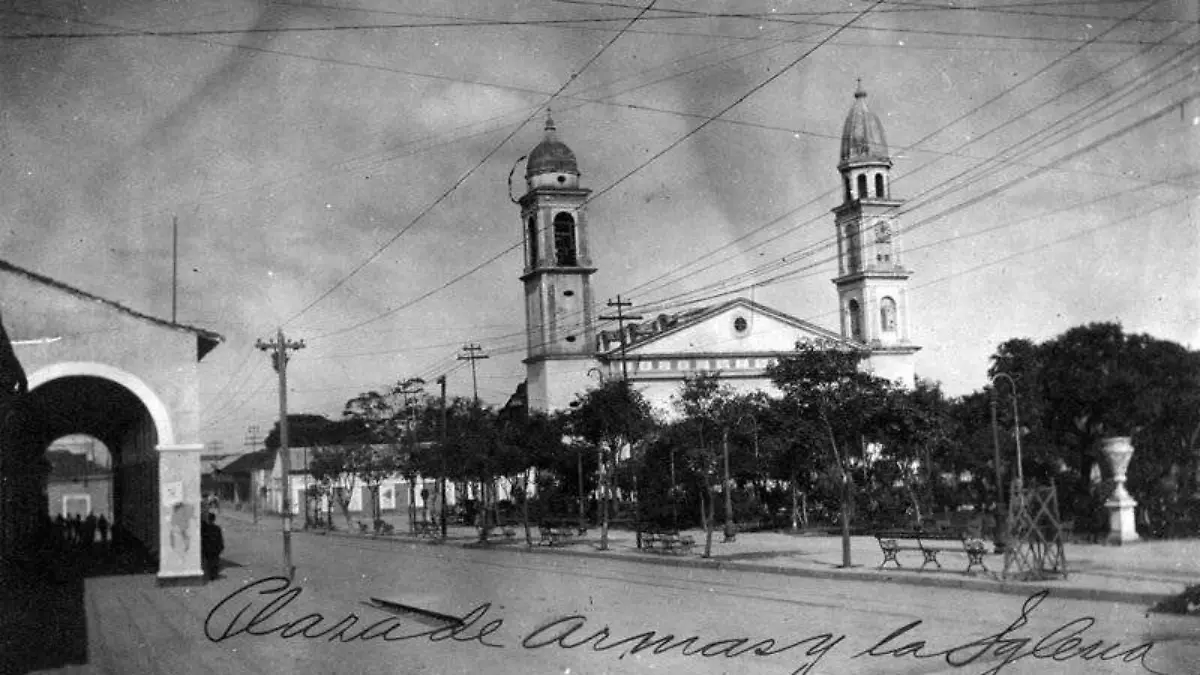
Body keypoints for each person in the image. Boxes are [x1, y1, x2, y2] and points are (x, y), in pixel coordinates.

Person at [200, 512, 224, 580]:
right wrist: (221, 547)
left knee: (209, 562)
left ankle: (211, 574)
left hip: (207, 548)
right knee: (215, 561)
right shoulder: (217, 528)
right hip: (215, 548)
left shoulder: (205, 528)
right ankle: (214, 574)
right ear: (214, 519)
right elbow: (220, 538)